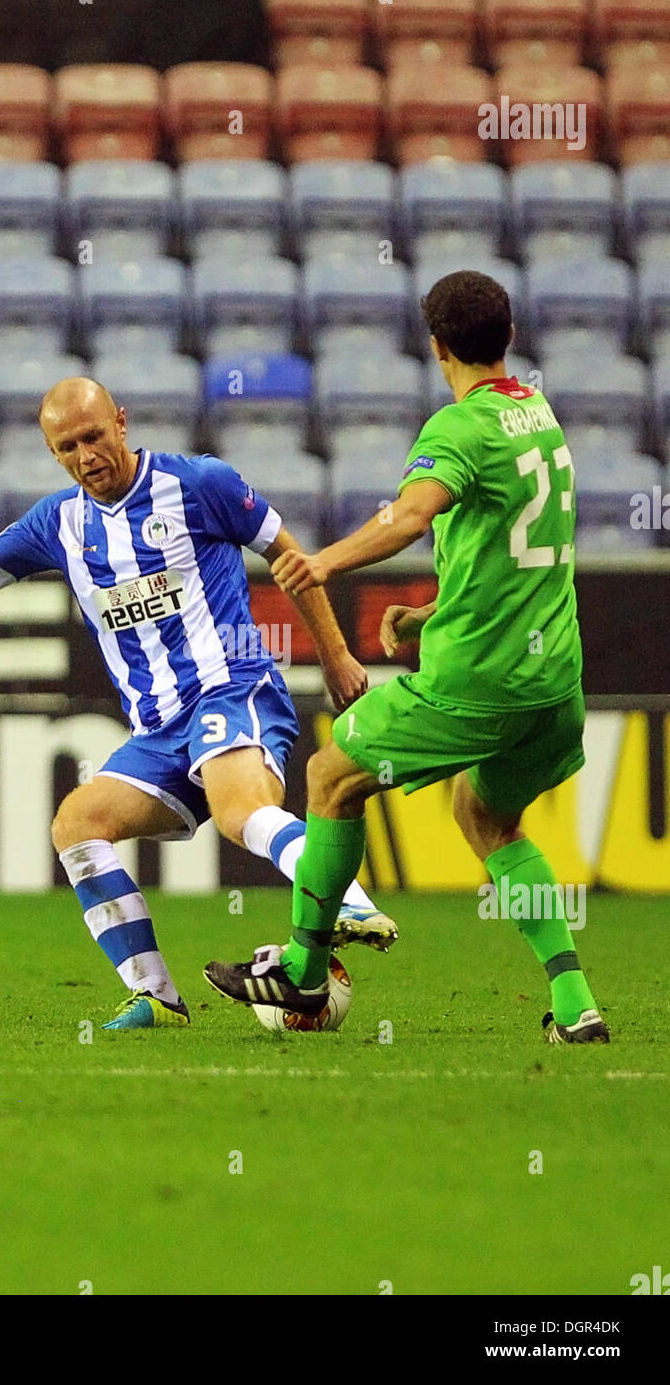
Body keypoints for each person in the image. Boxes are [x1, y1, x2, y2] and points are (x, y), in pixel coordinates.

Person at [0, 376, 397, 1030]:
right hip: (160, 731)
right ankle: (157, 997)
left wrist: (336, 655)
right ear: (53, 454)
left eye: (93, 437)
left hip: (232, 686)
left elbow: (289, 556)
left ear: (121, 422)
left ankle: (353, 903)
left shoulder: (200, 484)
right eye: (67, 447)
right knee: (77, 826)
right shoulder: (59, 522)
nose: (85, 456)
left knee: (240, 813)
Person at [205, 270, 608, 1045]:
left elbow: (411, 514)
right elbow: (516, 550)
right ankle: (575, 1003)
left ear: (435, 347)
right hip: (555, 684)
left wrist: (325, 563)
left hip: (479, 684)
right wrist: (433, 610)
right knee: (487, 818)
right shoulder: (539, 417)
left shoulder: (458, 430)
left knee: (329, 777)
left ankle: (302, 969)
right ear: (510, 337)